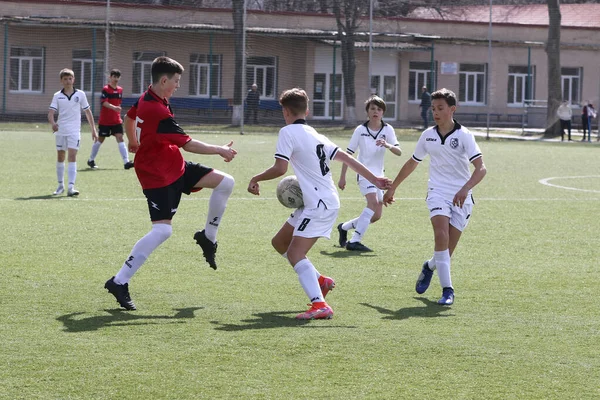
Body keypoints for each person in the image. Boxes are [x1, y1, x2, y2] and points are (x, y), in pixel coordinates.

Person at [104, 56, 237, 310]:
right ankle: (119, 281)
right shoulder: (157, 110)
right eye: (176, 82)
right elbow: (189, 143)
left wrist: (133, 141)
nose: (178, 86)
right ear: (163, 80)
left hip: (175, 166)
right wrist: (220, 149)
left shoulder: (148, 97)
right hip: (157, 176)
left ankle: (208, 237)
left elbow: (129, 117)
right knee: (163, 231)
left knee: (226, 183)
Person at [247, 88, 391, 320]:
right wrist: (374, 179)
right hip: (317, 202)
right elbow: (346, 157)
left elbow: (280, 168)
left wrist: (256, 178)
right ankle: (321, 281)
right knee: (280, 242)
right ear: (307, 110)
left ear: (285, 111)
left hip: (320, 204)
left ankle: (320, 305)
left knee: (295, 253)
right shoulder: (315, 133)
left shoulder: (287, 132)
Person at [383, 88, 487, 306]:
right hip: (437, 192)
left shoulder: (464, 136)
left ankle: (429, 266)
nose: (436, 113)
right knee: (441, 236)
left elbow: (481, 169)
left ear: (452, 109)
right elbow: (412, 162)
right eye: (433, 108)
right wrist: (393, 187)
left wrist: (465, 189)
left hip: (462, 196)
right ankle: (448, 290)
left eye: (440, 108)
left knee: (445, 253)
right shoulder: (427, 135)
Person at [337, 95, 402, 252]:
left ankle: (344, 227)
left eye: (379, 109)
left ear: (383, 113)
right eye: (372, 108)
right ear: (367, 111)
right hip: (364, 174)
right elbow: (348, 154)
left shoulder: (387, 130)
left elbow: (399, 151)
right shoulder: (360, 130)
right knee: (372, 204)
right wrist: (342, 176)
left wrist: (387, 145)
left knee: (376, 215)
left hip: (380, 177)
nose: (376, 111)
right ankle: (355, 241)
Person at [47, 68, 98, 197]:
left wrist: (93, 130)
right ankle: (60, 186)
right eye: (65, 79)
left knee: (72, 156)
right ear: (61, 81)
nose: (68, 81)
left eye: (70, 78)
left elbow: (88, 112)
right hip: (61, 131)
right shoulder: (57, 96)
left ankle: (71, 187)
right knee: (60, 157)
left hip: (74, 131)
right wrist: (53, 123)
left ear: (73, 80)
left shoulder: (80, 94)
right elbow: (51, 113)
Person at [87, 69, 134, 170]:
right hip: (105, 121)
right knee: (100, 140)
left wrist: (117, 110)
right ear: (110, 77)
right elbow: (104, 102)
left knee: (120, 138)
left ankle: (126, 162)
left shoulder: (120, 90)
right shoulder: (106, 89)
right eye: (114, 77)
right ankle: (91, 160)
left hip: (116, 121)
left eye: (117, 77)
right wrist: (114, 107)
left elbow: (118, 103)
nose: (116, 79)